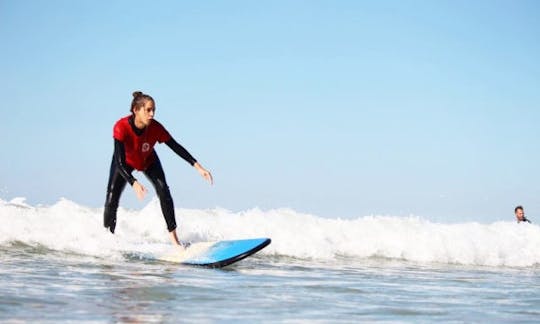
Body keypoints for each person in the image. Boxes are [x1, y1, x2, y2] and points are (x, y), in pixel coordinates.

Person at [103, 91, 213, 247]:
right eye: (148, 110)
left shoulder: (156, 128)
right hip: (124, 162)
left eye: (153, 110)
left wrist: (198, 167)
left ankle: (175, 241)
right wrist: (134, 182)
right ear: (136, 110)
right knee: (112, 196)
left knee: (163, 190)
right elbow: (119, 162)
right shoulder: (121, 127)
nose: (152, 114)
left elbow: (175, 146)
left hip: (147, 159)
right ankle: (108, 239)